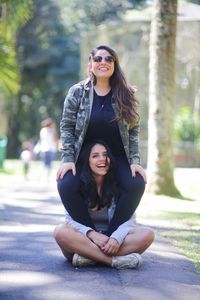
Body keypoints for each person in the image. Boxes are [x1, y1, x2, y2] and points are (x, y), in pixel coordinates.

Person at [57, 44, 147, 238]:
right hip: (84, 154)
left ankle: (113, 234)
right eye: (98, 59)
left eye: (109, 59)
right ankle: (89, 235)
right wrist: (68, 159)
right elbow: (67, 126)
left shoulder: (126, 93)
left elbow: (133, 130)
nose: (103, 62)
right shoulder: (77, 92)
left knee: (136, 184)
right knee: (66, 184)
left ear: (114, 64)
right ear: (91, 64)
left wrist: (135, 161)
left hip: (116, 155)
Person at [54, 140, 154, 268]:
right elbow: (70, 220)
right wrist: (92, 234)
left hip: (110, 242)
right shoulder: (77, 186)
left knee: (147, 234)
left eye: (105, 155)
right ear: (87, 161)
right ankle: (113, 261)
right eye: (95, 156)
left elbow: (129, 219)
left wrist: (116, 239)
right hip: (84, 240)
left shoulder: (121, 184)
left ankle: (89, 257)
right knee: (60, 232)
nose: (102, 159)